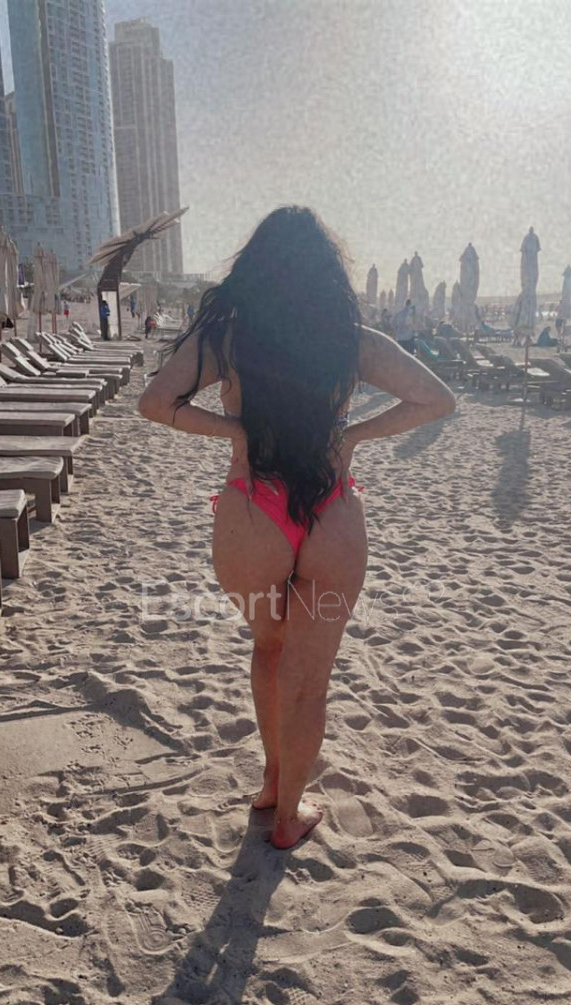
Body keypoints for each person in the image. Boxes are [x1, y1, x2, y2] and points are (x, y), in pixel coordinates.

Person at [138, 206, 454, 848]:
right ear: (326, 273)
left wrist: (235, 431)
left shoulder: (229, 338)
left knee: (268, 647)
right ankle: (288, 817)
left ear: (256, 269)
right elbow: (436, 399)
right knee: (308, 681)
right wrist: (353, 436)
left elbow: (155, 402)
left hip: (253, 509)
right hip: (331, 509)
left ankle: (274, 780)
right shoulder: (351, 339)